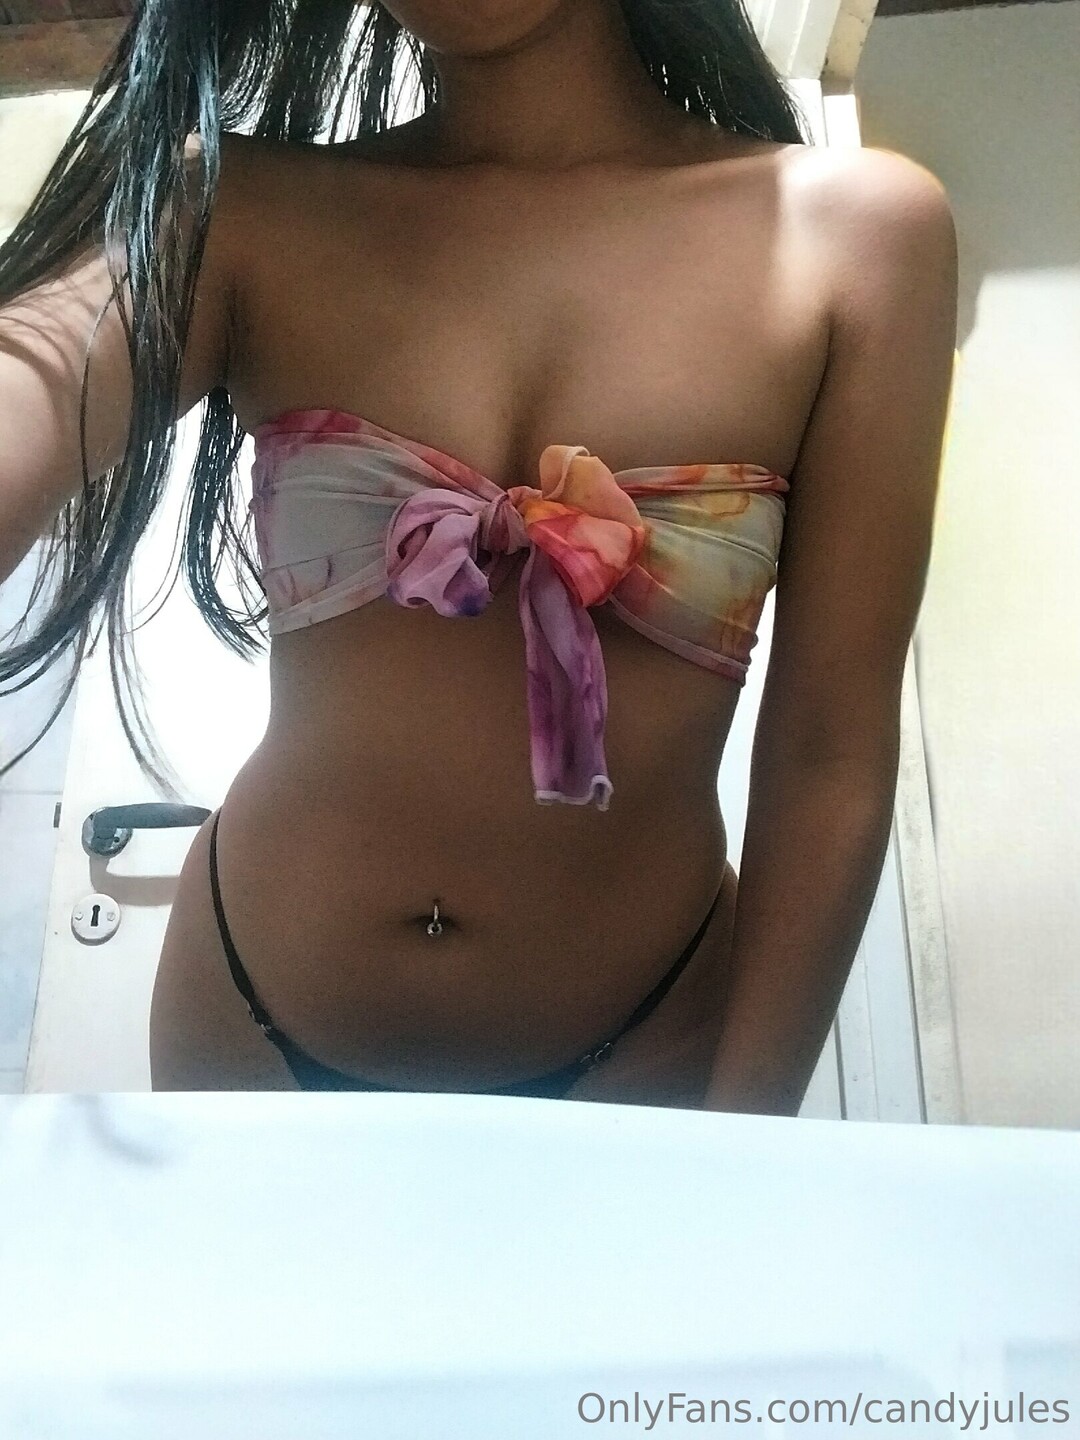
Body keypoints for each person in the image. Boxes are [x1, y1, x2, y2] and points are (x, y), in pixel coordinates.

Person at [0, 0, 958, 1109]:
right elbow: (32, 377)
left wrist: (751, 1135)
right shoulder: (233, 210)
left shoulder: (861, 236)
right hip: (249, 1024)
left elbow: (830, 748)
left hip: (645, 1043)